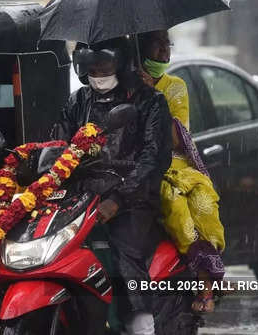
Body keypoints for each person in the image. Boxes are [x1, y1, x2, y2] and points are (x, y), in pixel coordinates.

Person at [52, 37, 172, 335]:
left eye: (104, 65)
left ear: (121, 63)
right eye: (91, 68)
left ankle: (140, 325)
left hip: (133, 199)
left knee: (123, 253)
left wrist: (118, 199)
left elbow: (152, 160)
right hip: (82, 198)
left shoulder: (149, 102)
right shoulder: (77, 101)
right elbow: (58, 145)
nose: (98, 74)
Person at [138, 30, 226, 313]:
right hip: (143, 165)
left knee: (203, 201)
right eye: (157, 46)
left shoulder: (176, 86)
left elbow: (177, 138)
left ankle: (208, 279)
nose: (165, 53)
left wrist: (152, 95)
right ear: (141, 49)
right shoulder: (126, 87)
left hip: (176, 163)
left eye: (168, 46)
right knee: (174, 204)